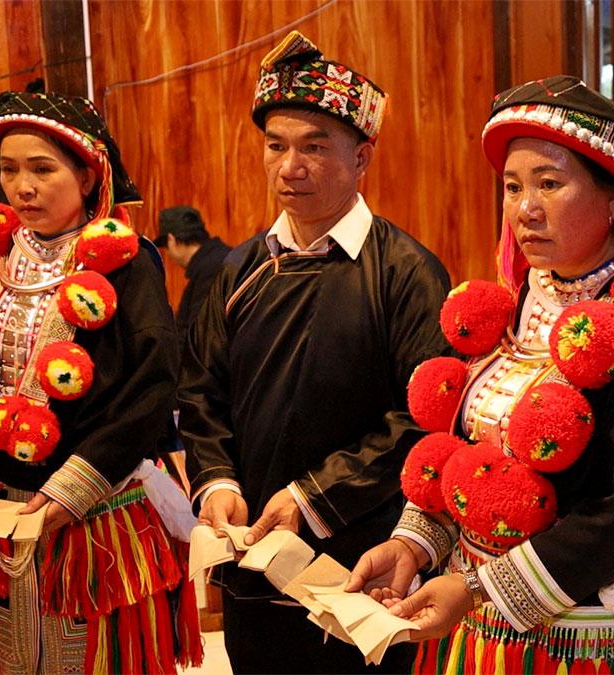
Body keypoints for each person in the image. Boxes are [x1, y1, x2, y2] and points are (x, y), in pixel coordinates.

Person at [347, 75, 614, 674]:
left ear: (613, 197)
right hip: (480, 624)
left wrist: (477, 589)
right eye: (512, 186)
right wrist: (413, 543)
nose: (525, 208)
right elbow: (469, 455)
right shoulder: (514, 307)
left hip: (593, 638)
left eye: (550, 183)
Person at [179, 30, 451, 674]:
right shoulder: (239, 268)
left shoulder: (408, 273)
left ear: (362, 159)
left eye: (314, 147)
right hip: (253, 556)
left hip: (362, 559)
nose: (288, 167)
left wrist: (310, 496)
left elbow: (424, 417)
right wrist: (216, 479)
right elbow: (200, 393)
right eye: (275, 146)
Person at [0, 91, 200, 674]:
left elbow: (152, 387)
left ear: (87, 174)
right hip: (3, 505)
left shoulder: (127, 264)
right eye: (9, 170)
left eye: (42, 169)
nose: (23, 187)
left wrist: (68, 490)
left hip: (96, 511)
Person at [154, 205, 230, 336]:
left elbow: (197, 334)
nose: (168, 253)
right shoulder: (219, 258)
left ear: (171, 240)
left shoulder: (210, 269)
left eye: (165, 246)